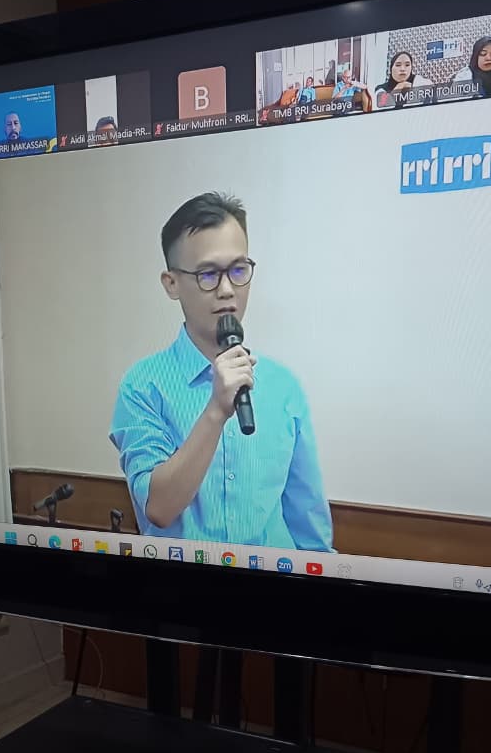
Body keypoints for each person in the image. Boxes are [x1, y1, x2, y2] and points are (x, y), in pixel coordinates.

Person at [110, 192, 333, 551]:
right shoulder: (142, 387)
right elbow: (159, 509)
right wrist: (216, 410)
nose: (227, 290)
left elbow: (308, 524)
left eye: (238, 270)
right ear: (171, 283)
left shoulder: (283, 386)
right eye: (208, 274)